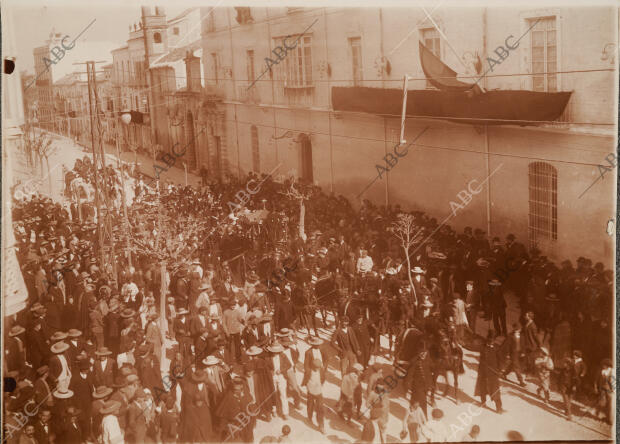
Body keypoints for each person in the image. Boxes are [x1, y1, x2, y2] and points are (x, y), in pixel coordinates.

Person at [474, 331, 504, 413]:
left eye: (492, 340)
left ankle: (499, 408)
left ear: (494, 340)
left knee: (495, 390)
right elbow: (473, 347)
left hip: (493, 373)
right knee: (482, 388)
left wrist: (499, 370)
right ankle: (483, 402)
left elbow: (501, 361)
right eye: (489, 340)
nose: (490, 341)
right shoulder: (482, 347)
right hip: (483, 372)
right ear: (487, 339)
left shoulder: (497, 348)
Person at [306, 359, 325, 434]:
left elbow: (323, 378)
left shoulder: (321, 371)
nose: (317, 369)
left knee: (320, 408)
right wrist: (309, 387)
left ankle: (321, 426)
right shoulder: (308, 371)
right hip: (310, 391)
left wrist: (320, 384)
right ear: (313, 366)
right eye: (316, 367)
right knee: (310, 405)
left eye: (318, 367)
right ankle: (309, 417)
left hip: (319, 392)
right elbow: (306, 380)